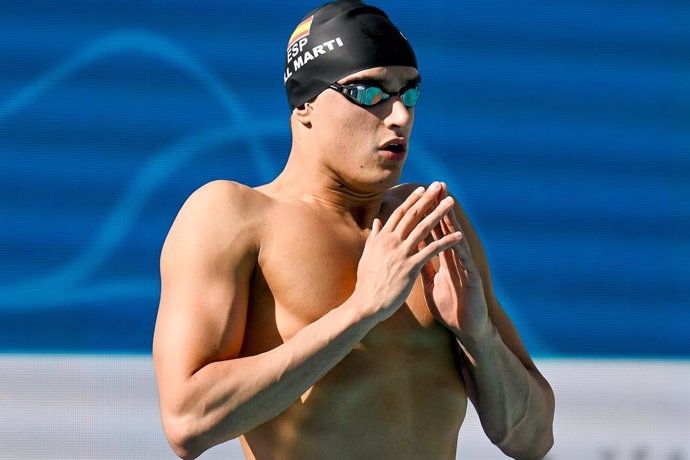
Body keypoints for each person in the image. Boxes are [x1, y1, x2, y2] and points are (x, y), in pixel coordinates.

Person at [153, 1, 555, 459]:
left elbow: (533, 439)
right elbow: (188, 422)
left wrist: (478, 336)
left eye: (409, 93)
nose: (399, 115)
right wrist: (361, 310)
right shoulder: (234, 217)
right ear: (305, 103)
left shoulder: (429, 219)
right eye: (370, 93)